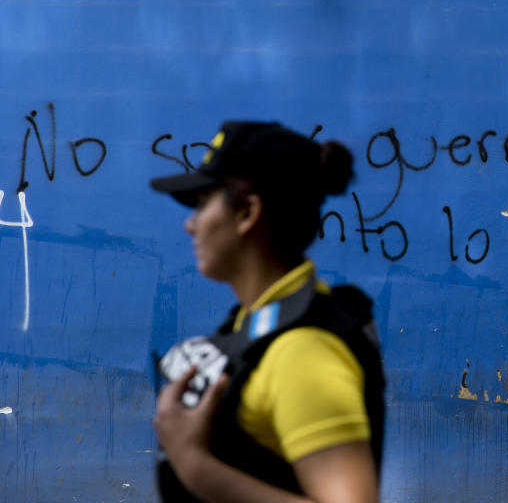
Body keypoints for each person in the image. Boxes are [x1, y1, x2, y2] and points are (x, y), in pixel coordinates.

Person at [149, 121, 384, 503]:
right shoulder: (258, 324)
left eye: (203, 203)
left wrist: (196, 466)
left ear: (247, 213)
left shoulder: (304, 350)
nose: (190, 224)